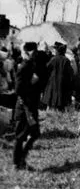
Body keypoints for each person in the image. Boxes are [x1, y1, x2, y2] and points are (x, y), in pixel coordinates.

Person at [13, 42, 46, 170]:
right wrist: (32, 83)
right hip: (25, 107)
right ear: (27, 52)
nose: (35, 53)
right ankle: (18, 163)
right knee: (21, 136)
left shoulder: (31, 65)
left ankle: (21, 160)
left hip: (31, 106)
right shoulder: (23, 67)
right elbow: (18, 90)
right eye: (33, 51)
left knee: (35, 133)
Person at [43, 42, 74, 111]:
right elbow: (70, 73)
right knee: (61, 101)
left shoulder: (53, 59)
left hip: (53, 82)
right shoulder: (66, 60)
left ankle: (51, 113)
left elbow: (47, 69)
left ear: (57, 51)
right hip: (63, 83)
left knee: (52, 100)